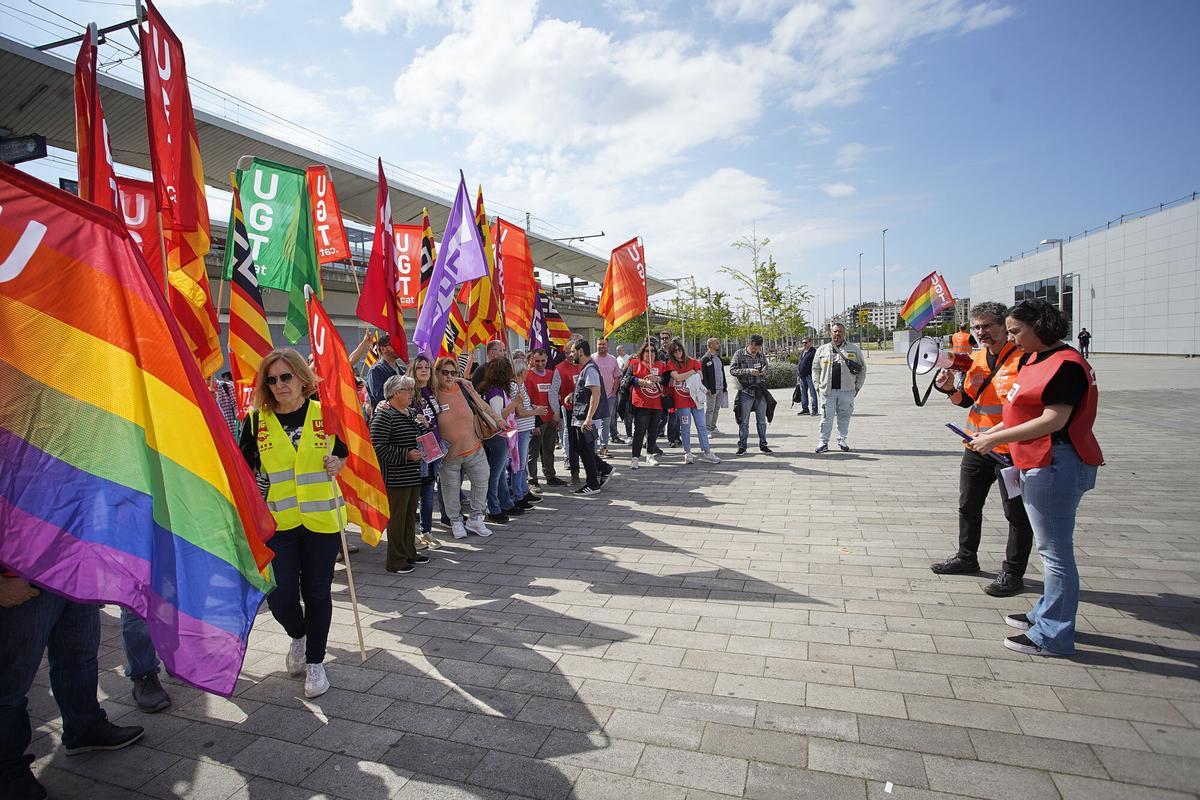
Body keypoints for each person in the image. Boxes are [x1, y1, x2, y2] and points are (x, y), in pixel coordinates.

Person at [967, 299, 1102, 657]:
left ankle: (1053, 635)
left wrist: (994, 438)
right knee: (1050, 549)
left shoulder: (1066, 365)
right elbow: (1020, 411)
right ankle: (1045, 614)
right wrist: (992, 432)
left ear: (1039, 326)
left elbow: (1054, 419)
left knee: (1055, 553)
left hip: (1056, 462)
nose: (1011, 338)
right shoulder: (1036, 358)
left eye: (1015, 331)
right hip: (1037, 458)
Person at [239, 348, 348, 699]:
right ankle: (298, 635)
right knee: (281, 596)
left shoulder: (325, 412)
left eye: (286, 377)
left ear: (302, 378)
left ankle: (316, 662)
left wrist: (337, 464)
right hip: (279, 523)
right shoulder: (255, 421)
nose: (279, 385)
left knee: (317, 593)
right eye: (271, 380)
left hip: (322, 519)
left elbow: (344, 452)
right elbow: (243, 470)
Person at [1, 578, 145, 800]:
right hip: (19, 579)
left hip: (73, 573)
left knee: (79, 657)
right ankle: (7, 770)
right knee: (9, 685)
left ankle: (84, 728)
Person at [929, 303, 1034, 597]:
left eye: (987, 326)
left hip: (1011, 450)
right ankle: (966, 558)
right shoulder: (976, 358)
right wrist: (950, 389)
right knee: (968, 505)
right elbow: (967, 400)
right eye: (976, 327)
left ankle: (1013, 573)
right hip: (976, 446)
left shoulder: (1023, 359)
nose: (981, 332)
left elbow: (1028, 410)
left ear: (1004, 326)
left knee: (1016, 514)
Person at [370, 375, 430, 574]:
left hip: (413, 474)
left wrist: (426, 424)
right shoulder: (384, 416)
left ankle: (409, 552)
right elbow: (377, 447)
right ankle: (396, 560)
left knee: (410, 517)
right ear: (396, 393)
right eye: (408, 390)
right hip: (396, 477)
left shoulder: (410, 412)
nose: (412, 394)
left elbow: (421, 437)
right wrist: (405, 455)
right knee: (397, 519)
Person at [432, 356, 496, 540]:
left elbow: (482, 406)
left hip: (474, 448)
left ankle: (476, 518)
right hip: (449, 455)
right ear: (437, 373)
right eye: (445, 372)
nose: (449, 376)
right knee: (450, 490)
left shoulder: (464, 387)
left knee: (482, 481)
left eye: (453, 373)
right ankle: (455, 521)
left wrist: (498, 420)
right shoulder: (431, 393)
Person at [477, 358, 522, 524]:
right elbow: (497, 416)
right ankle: (493, 508)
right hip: (497, 436)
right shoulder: (496, 392)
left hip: (495, 436)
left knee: (501, 472)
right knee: (495, 474)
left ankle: (505, 503)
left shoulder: (488, 388)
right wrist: (514, 404)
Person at [665, 338, 721, 464]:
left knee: (701, 426)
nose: (678, 353)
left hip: (696, 400)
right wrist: (691, 372)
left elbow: (700, 375)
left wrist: (688, 375)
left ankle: (707, 451)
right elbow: (677, 377)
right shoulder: (671, 364)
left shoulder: (692, 361)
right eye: (674, 351)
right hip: (681, 400)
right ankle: (688, 452)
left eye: (679, 350)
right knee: (685, 427)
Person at [409, 354, 445, 551]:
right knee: (417, 493)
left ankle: (426, 532)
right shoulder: (410, 393)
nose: (423, 370)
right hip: (420, 450)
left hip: (435, 448)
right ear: (413, 371)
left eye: (426, 367)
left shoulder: (432, 391)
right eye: (419, 367)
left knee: (429, 492)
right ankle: (412, 534)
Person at [568, 340, 613, 494]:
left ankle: (592, 484)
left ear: (580, 351)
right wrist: (573, 395)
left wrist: (588, 418)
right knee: (581, 449)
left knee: (586, 450)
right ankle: (605, 468)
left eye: (573, 351)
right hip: (582, 416)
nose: (571, 354)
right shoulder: (586, 368)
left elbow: (596, 393)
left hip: (586, 418)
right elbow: (587, 392)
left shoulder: (590, 369)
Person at [813, 323, 866, 453]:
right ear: (831, 333)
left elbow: (862, 369)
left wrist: (857, 387)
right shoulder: (822, 350)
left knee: (844, 416)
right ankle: (823, 442)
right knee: (826, 417)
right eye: (835, 331)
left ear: (844, 333)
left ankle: (842, 440)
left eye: (840, 331)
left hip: (847, 390)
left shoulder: (853, 349)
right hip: (827, 390)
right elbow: (815, 369)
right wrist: (817, 386)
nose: (838, 334)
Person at [525, 349, 566, 488]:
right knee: (533, 452)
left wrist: (557, 415)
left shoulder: (551, 374)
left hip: (551, 419)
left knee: (549, 449)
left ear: (547, 360)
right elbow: (528, 402)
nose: (540, 364)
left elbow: (556, 395)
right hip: (537, 420)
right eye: (537, 361)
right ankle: (532, 479)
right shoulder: (528, 376)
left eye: (543, 361)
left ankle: (550, 475)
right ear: (531, 360)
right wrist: (535, 423)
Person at [729, 334, 772, 455]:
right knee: (744, 421)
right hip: (746, 391)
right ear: (749, 343)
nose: (755, 350)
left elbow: (766, 367)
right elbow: (732, 370)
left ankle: (763, 445)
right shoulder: (739, 354)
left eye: (758, 348)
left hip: (760, 391)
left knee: (761, 421)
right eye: (754, 347)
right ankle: (742, 446)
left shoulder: (761, 355)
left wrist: (764, 371)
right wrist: (748, 371)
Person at [628, 341, 666, 469]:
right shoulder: (635, 364)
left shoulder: (661, 365)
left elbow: (666, 379)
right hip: (641, 404)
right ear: (642, 353)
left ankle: (650, 455)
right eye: (647, 351)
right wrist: (641, 382)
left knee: (653, 431)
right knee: (639, 431)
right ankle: (635, 458)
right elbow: (627, 378)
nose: (650, 353)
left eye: (653, 351)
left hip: (657, 403)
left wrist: (659, 379)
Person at [551, 348, 583, 483]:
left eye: (572, 352)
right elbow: (553, 391)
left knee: (587, 439)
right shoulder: (560, 368)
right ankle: (574, 470)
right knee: (572, 438)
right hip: (569, 408)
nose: (570, 355)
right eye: (567, 353)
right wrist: (556, 411)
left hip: (585, 407)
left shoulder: (585, 364)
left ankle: (595, 467)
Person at [593, 338, 623, 454]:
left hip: (609, 397)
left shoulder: (613, 359)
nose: (601, 346)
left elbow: (617, 377)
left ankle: (603, 446)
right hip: (594, 397)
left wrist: (614, 392)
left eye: (603, 344)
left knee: (606, 423)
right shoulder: (592, 359)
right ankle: (593, 448)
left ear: (608, 346)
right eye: (599, 344)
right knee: (594, 423)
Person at [365, 334, 406, 407]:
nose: (398, 348)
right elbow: (380, 397)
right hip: (386, 413)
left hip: (403, 412)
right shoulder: (376, 371)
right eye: (394, 345)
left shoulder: (403, 370)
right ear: (383, 349)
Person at [656, 329, 681, 445]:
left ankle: (673, 438)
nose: (664, 340)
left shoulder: (675, 352)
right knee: (661, 416)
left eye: (666, 338)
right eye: (662, 338)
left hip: (674, 386)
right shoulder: (657, 353)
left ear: (671, 339)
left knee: (674, 414)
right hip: (661, 387)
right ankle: (652, 438)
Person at [700, 338, 728, 434]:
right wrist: (706, 388)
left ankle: (713, 427)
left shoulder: (718, 357)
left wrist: (725, 386)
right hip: (711, 389)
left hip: (720, 388)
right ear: (711, 345)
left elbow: (722, 372)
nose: (719, 345)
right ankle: (706, 429)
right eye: (717, 343)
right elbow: (702, 375)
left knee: (716, 409)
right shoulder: (705, 359)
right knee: (710, 409)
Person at [796, 338, 818, 416]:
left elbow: (816, 364)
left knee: (812, 393)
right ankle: (805, 409)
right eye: (803, 343)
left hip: (809, 376)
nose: (804, 344)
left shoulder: (814, 352)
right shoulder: (803, 352)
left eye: (805, 342)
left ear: (810, 343)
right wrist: (798, 374)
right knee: (803, 393)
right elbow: (800, 362)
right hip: (802, 376)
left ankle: (814, 409)